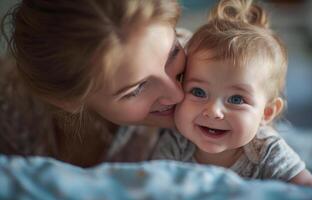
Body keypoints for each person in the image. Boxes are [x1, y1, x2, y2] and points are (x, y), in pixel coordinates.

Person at [151, 0, 312, 191]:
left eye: (236, 99)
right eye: (198, 92)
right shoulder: (176, 142)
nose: (213, 111)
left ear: (267, 113)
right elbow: (156, 186)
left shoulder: (266, 150)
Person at [0, 0, 187, 167]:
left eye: (173, 53)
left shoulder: (210, 68)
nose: (178, 94)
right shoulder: (10, 115)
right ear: (67, 99)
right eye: (136, 89)